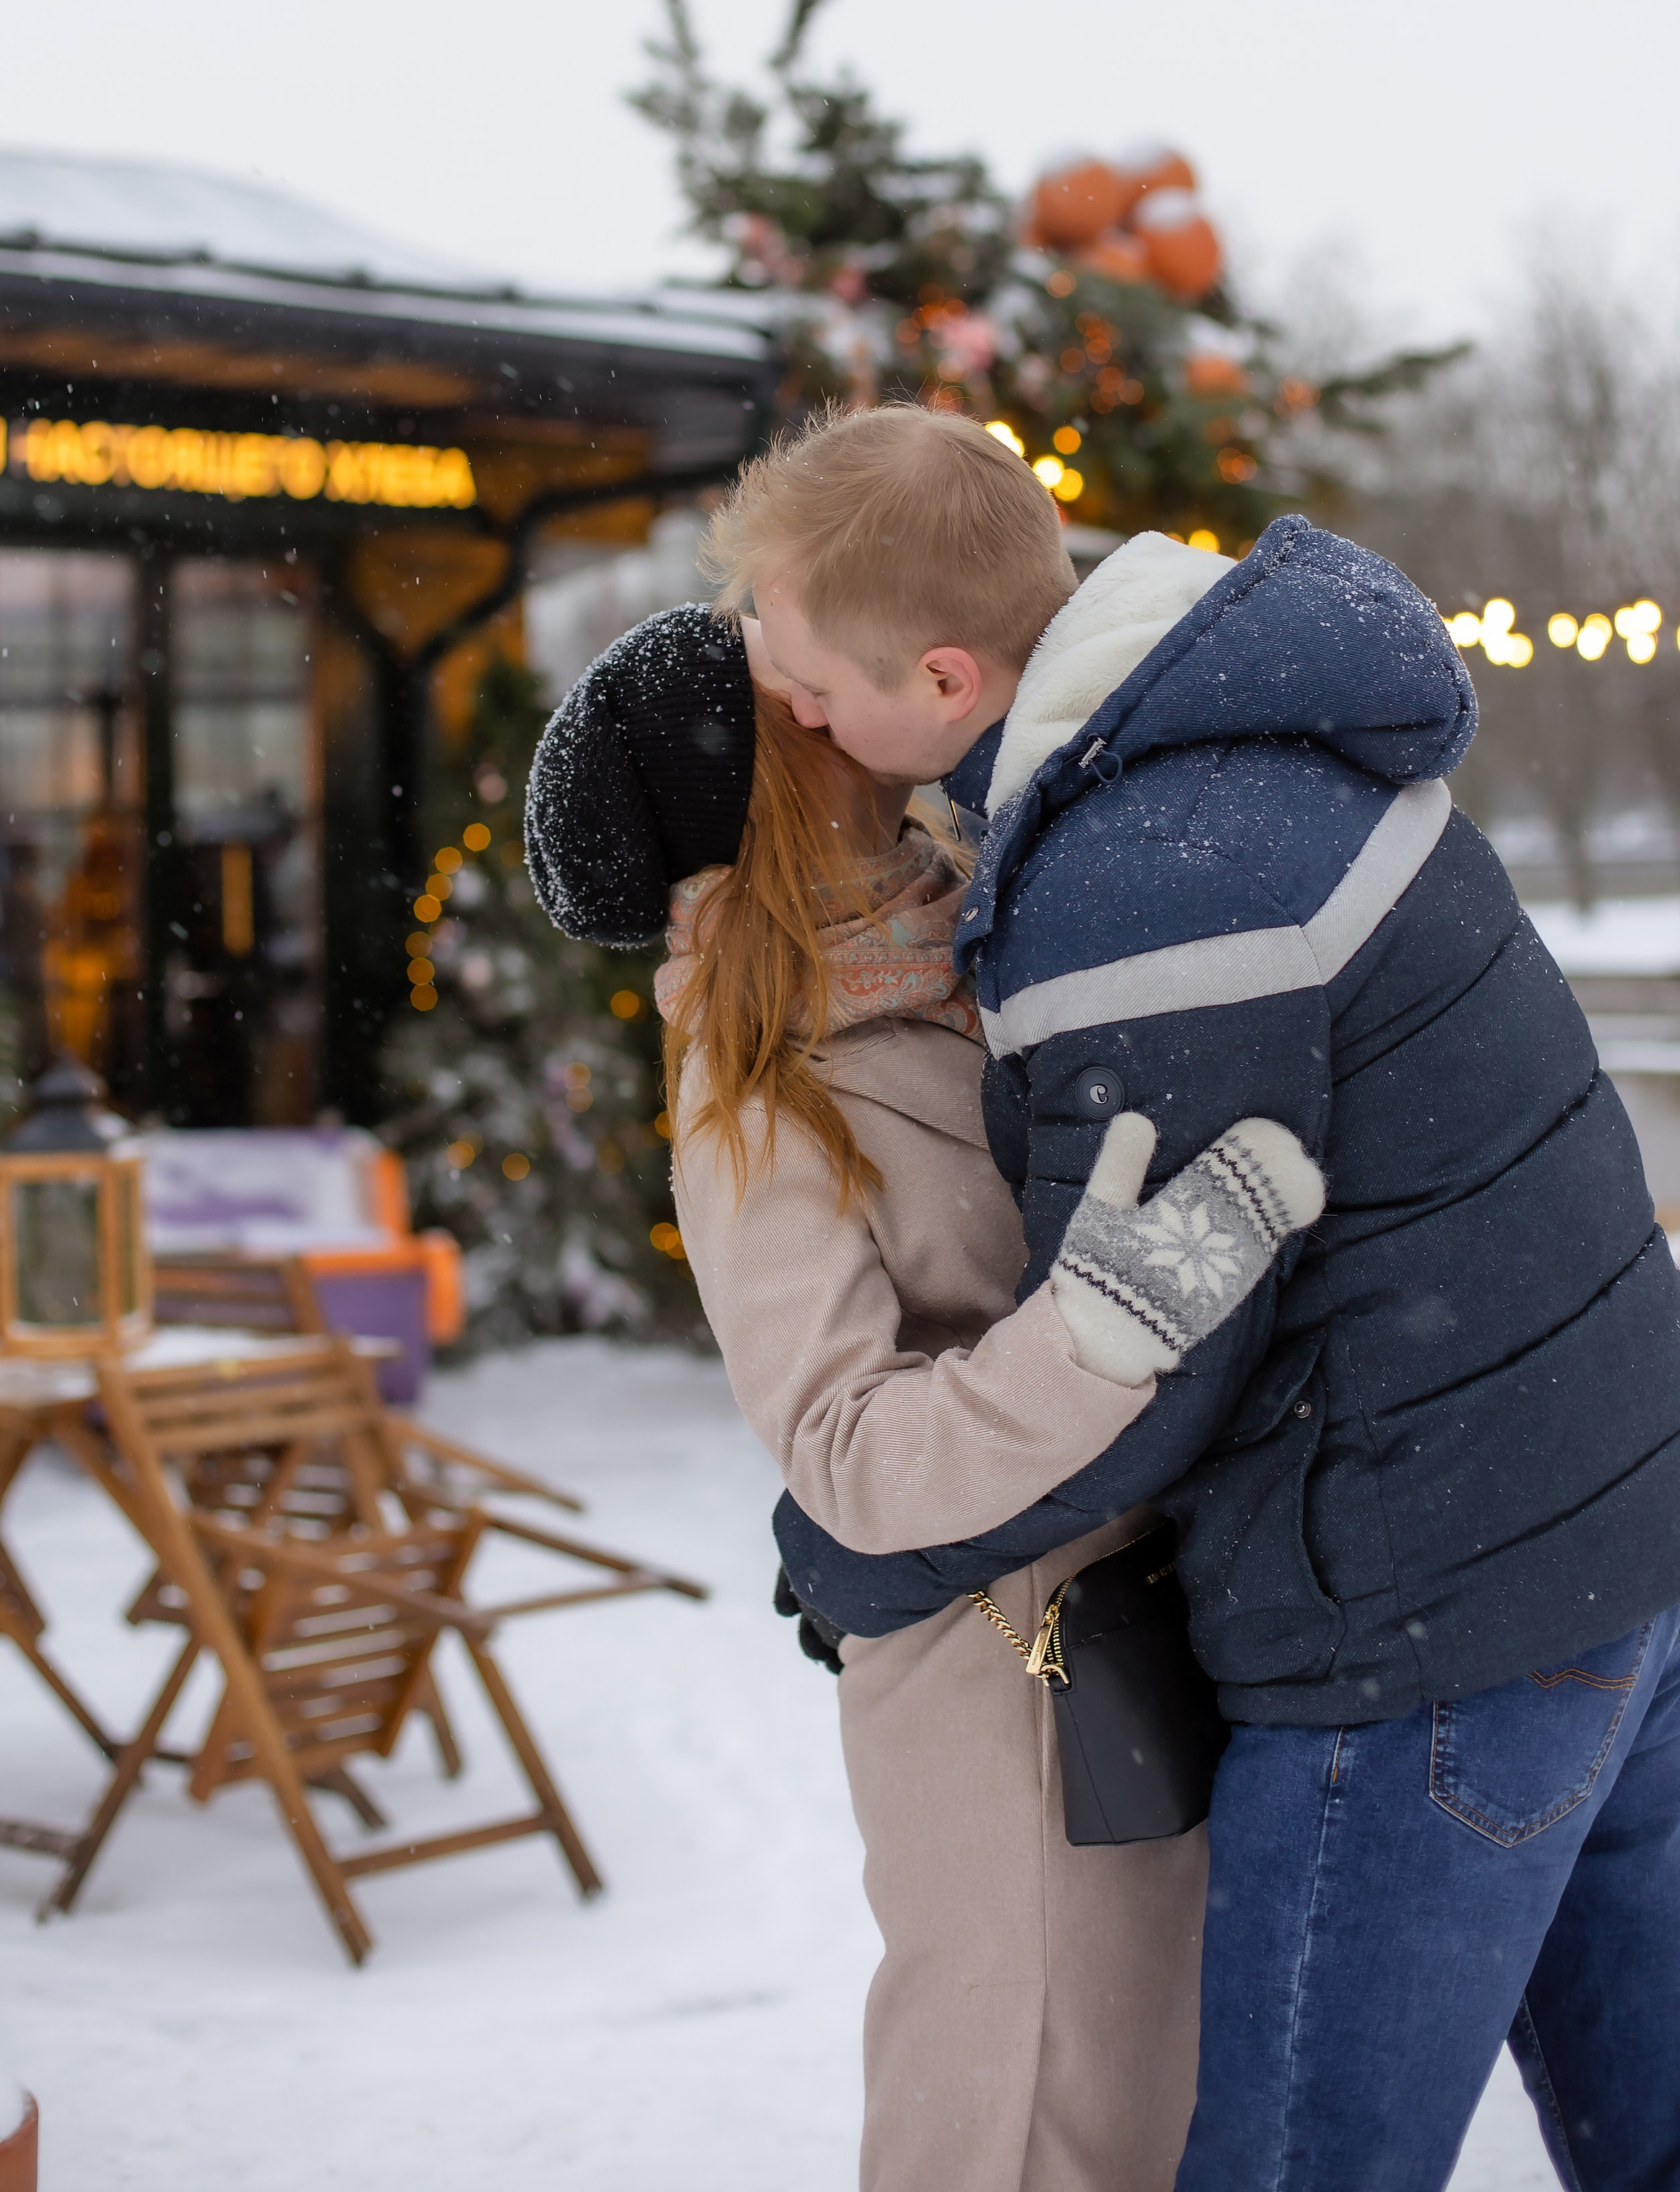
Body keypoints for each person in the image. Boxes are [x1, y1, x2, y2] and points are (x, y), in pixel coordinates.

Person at [705, 402, 1680, 2192]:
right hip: (1616, 1554)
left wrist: (873, 1555)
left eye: (805, 678)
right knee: (1664, 2134)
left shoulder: (1139, 895)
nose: (793, 710)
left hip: (1433, 1633)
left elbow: (1163, 1322)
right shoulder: (1226, 753)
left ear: (943, 678)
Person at [523, 604, 1315, 2192]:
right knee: (1025, 2119)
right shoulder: (757, 1077)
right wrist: (1119, 1312)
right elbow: (846, 1452)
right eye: (783, 689)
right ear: (763, 772)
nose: (824, 689)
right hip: (1000, 1675)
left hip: (1144, 1612)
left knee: (1150, 2102)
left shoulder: (980, 916)